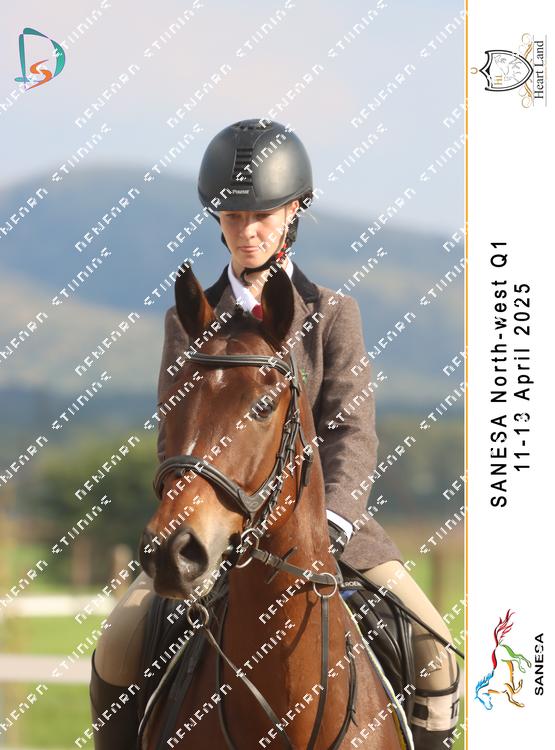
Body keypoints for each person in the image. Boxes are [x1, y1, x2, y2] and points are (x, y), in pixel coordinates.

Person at [90, 119, 460, 749]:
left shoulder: (333, 314)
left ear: (293, 211)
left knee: (435, 650)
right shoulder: (187, 320)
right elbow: (175, 436)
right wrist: (201, 513)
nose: (247, 231)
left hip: (329, 529)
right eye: (233, 217)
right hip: (210, 524)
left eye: (261, 215)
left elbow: (352, 430)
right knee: (119, 645)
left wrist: (333, 521)